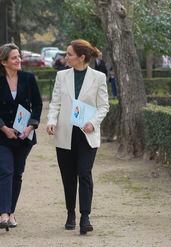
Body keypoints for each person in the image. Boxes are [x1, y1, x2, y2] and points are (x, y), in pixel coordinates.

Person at [46, 39, 109, 235]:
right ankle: (70, 213)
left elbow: (104, 106)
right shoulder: (61, 76)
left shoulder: (98, 78)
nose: (66, 58)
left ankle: (85, 217)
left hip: (87, 133)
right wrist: (51, 121)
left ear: (82, 57)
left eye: (69, 54)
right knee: (68, 176)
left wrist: (93, 122)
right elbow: (55, 102)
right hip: (65, 133)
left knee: (84, 173)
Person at [0, 43, 43, 231]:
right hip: (0, 136)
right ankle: (3, 214)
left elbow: (38, 105)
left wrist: (31, 126)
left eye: (19, 56)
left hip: (24, 136)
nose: (19, 60)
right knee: (4, 171)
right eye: (14, 58)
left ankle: (11, 212)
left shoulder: (28, 78)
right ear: (3, 62)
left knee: (17, 173)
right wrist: (4, 128)